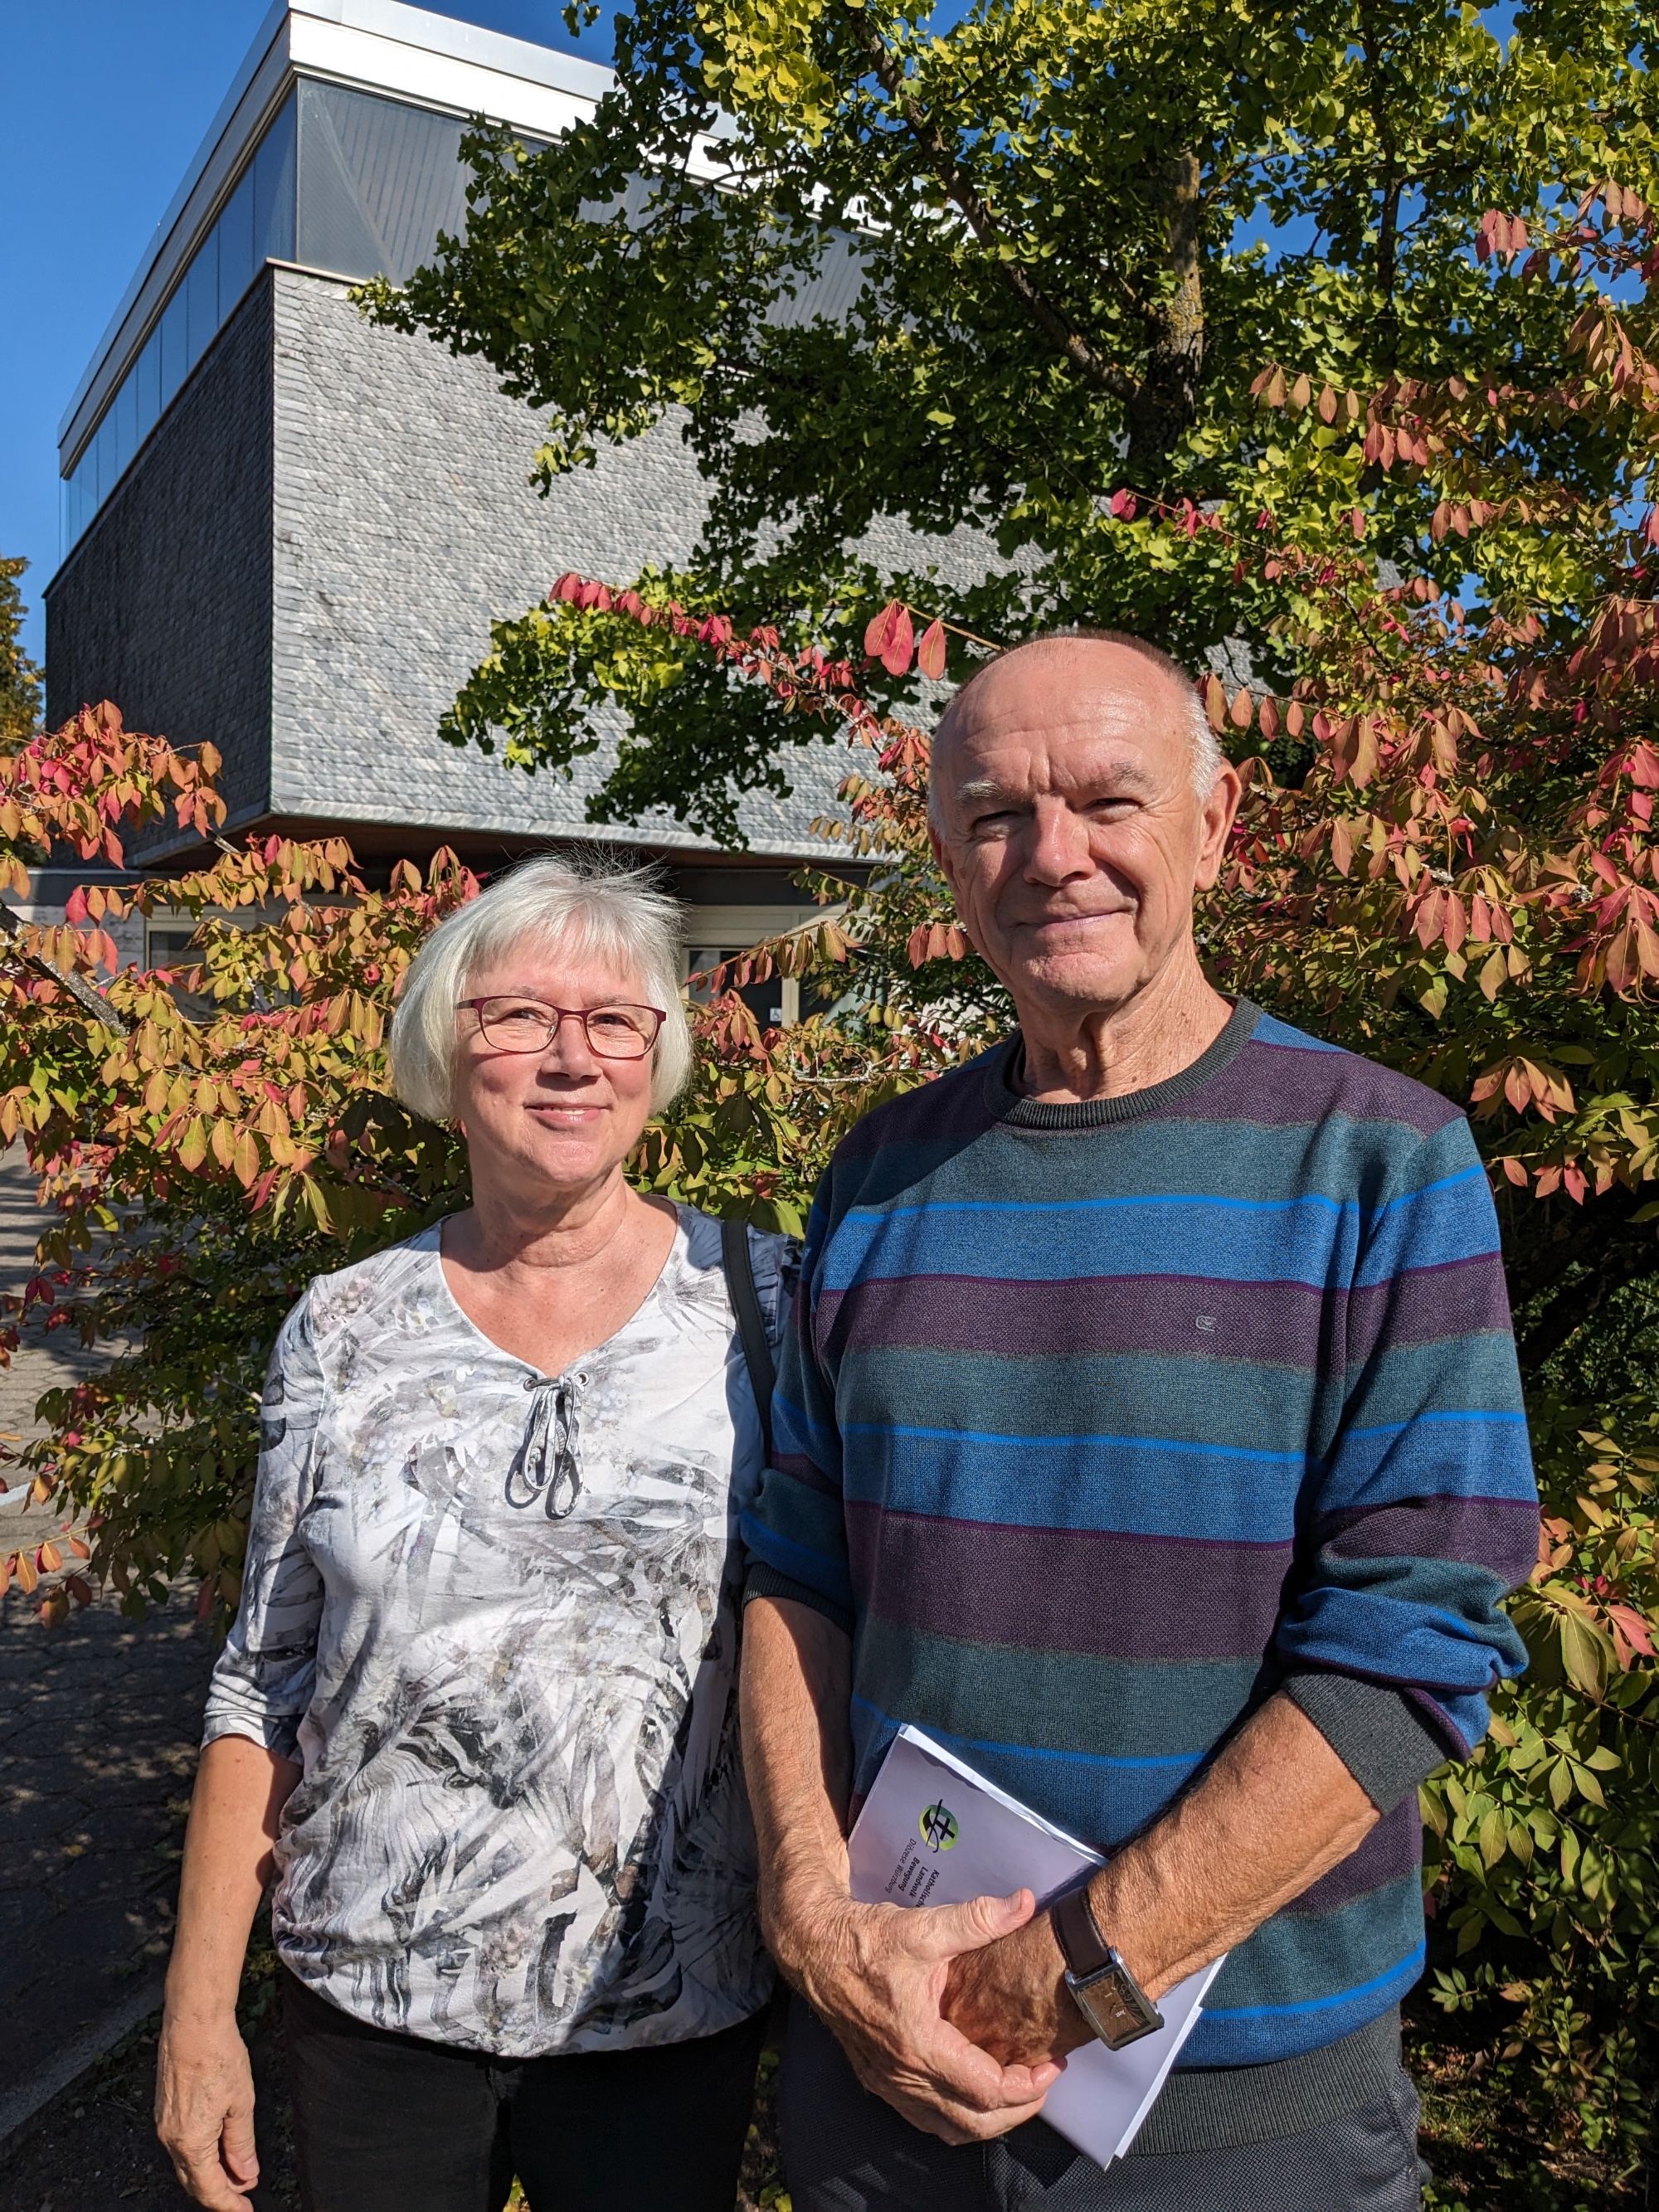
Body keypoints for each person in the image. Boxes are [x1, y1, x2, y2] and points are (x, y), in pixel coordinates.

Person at [740, 631, 1540, 2211]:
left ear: (1218, 825)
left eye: (1111, 801)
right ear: (945, 856)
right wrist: (812, 1916)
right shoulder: (881, 1173)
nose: (1053, 858)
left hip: (1239, 2119)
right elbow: (795, 1567)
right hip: (884, 2064)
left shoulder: (1382, 1161)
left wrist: (1088, 1970)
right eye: (993, 817)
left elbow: (1416, 1650)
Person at [156, 854, 793, 2212]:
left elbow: (839, 1633)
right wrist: (198, 2018)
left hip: (665, 2012)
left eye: (614, 1021)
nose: (571, 1059)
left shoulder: (766, 1306)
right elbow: (260, 1681)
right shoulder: (344, 1325)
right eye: (518, 1018)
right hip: (370, 2004)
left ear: (659, 1057)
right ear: (447, 1050)